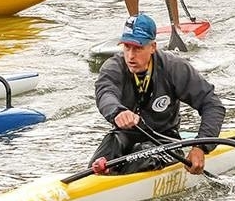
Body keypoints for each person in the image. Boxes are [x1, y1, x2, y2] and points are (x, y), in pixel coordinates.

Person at [89, 13, 226, 175]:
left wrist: (200, 146)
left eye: (138, 48)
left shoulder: (174, 68)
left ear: (153, 47)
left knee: (143, 155)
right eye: (127, 47)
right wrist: (117, 111)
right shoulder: (114, 67)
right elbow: (105, 93)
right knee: (102, 156)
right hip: (124, 136)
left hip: (165, 140)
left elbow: (212, 104)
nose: (131, 56)